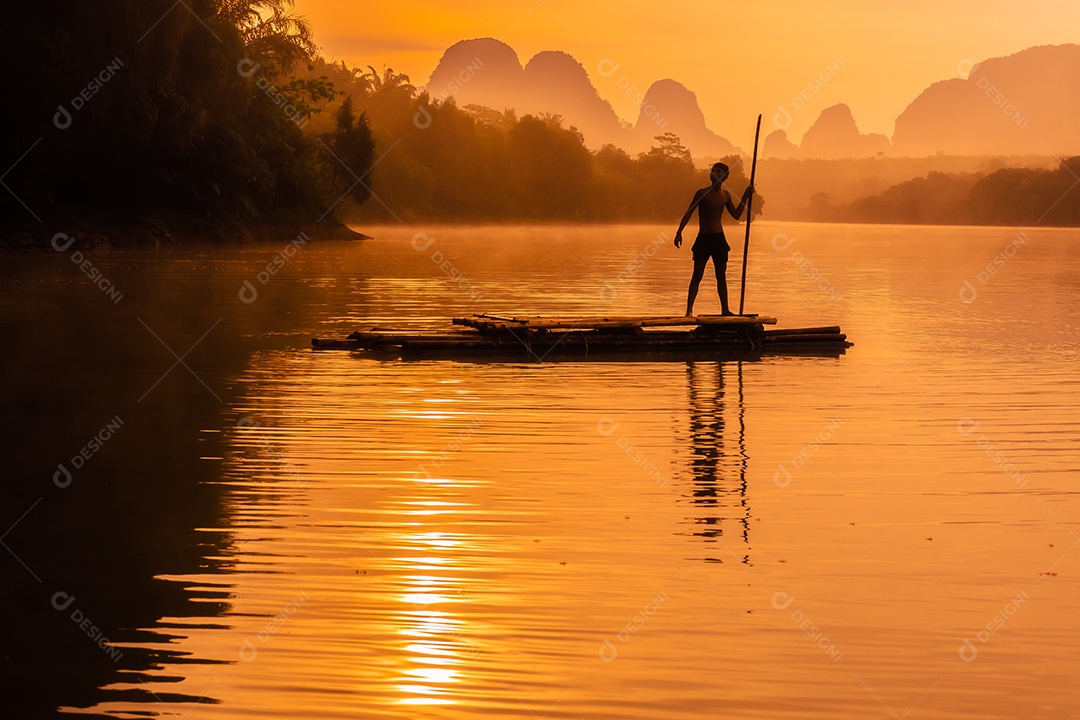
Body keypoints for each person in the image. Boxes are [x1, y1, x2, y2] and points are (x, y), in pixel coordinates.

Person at [674, 163, 753, 316]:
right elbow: (689, 212)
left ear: (725, 176)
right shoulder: (702, 193)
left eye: (718, 171)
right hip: (704, 238)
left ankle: (725, 310)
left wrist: (745, 196)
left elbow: (736, 215)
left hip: (719, 239)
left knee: (721, 276)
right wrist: (679, 232)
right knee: (697, 275)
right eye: (713, 170)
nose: (714, 173)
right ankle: (689, 310)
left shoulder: (725, 195)